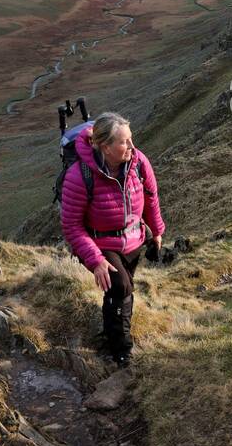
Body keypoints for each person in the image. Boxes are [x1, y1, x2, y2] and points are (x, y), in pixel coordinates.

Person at [59, 112, 164, 366]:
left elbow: (151, 197)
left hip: (134, 239)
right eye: (124, 142)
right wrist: (95, 260)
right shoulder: (79, 176)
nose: (131, 146)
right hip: (100, 245)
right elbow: (71, 226)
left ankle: (110, 332)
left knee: (121, 291)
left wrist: (157, 232)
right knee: (121, 287)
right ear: (105, 147)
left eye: (131, 139)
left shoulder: (139, 163)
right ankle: (121, 351)